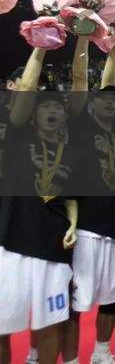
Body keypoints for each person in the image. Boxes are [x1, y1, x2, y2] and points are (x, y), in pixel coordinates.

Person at [0, 49, 78, 364]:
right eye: (44, 106)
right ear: (32, 114)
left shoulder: (70, 153)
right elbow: (26, 90)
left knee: (51, 323)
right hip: (12, 242)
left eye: (57, 107)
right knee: (2, 326)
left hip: (54, 245)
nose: (51, 111)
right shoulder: (17, 137)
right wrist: (41, 48)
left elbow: (71, 198)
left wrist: (73, 224)